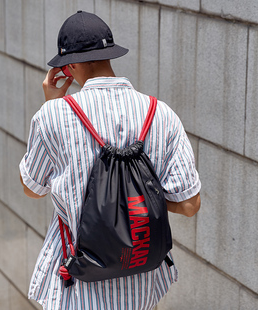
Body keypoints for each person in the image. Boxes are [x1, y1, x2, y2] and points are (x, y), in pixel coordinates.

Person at [19, 10, 201, 310]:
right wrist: (138, 198)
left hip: (79, 286)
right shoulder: (161, 114)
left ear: (68, 66)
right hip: (142, 282)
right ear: (109, 56)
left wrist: (52, 103)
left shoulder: (52, 117)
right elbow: (189, 205)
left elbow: (32, 187)